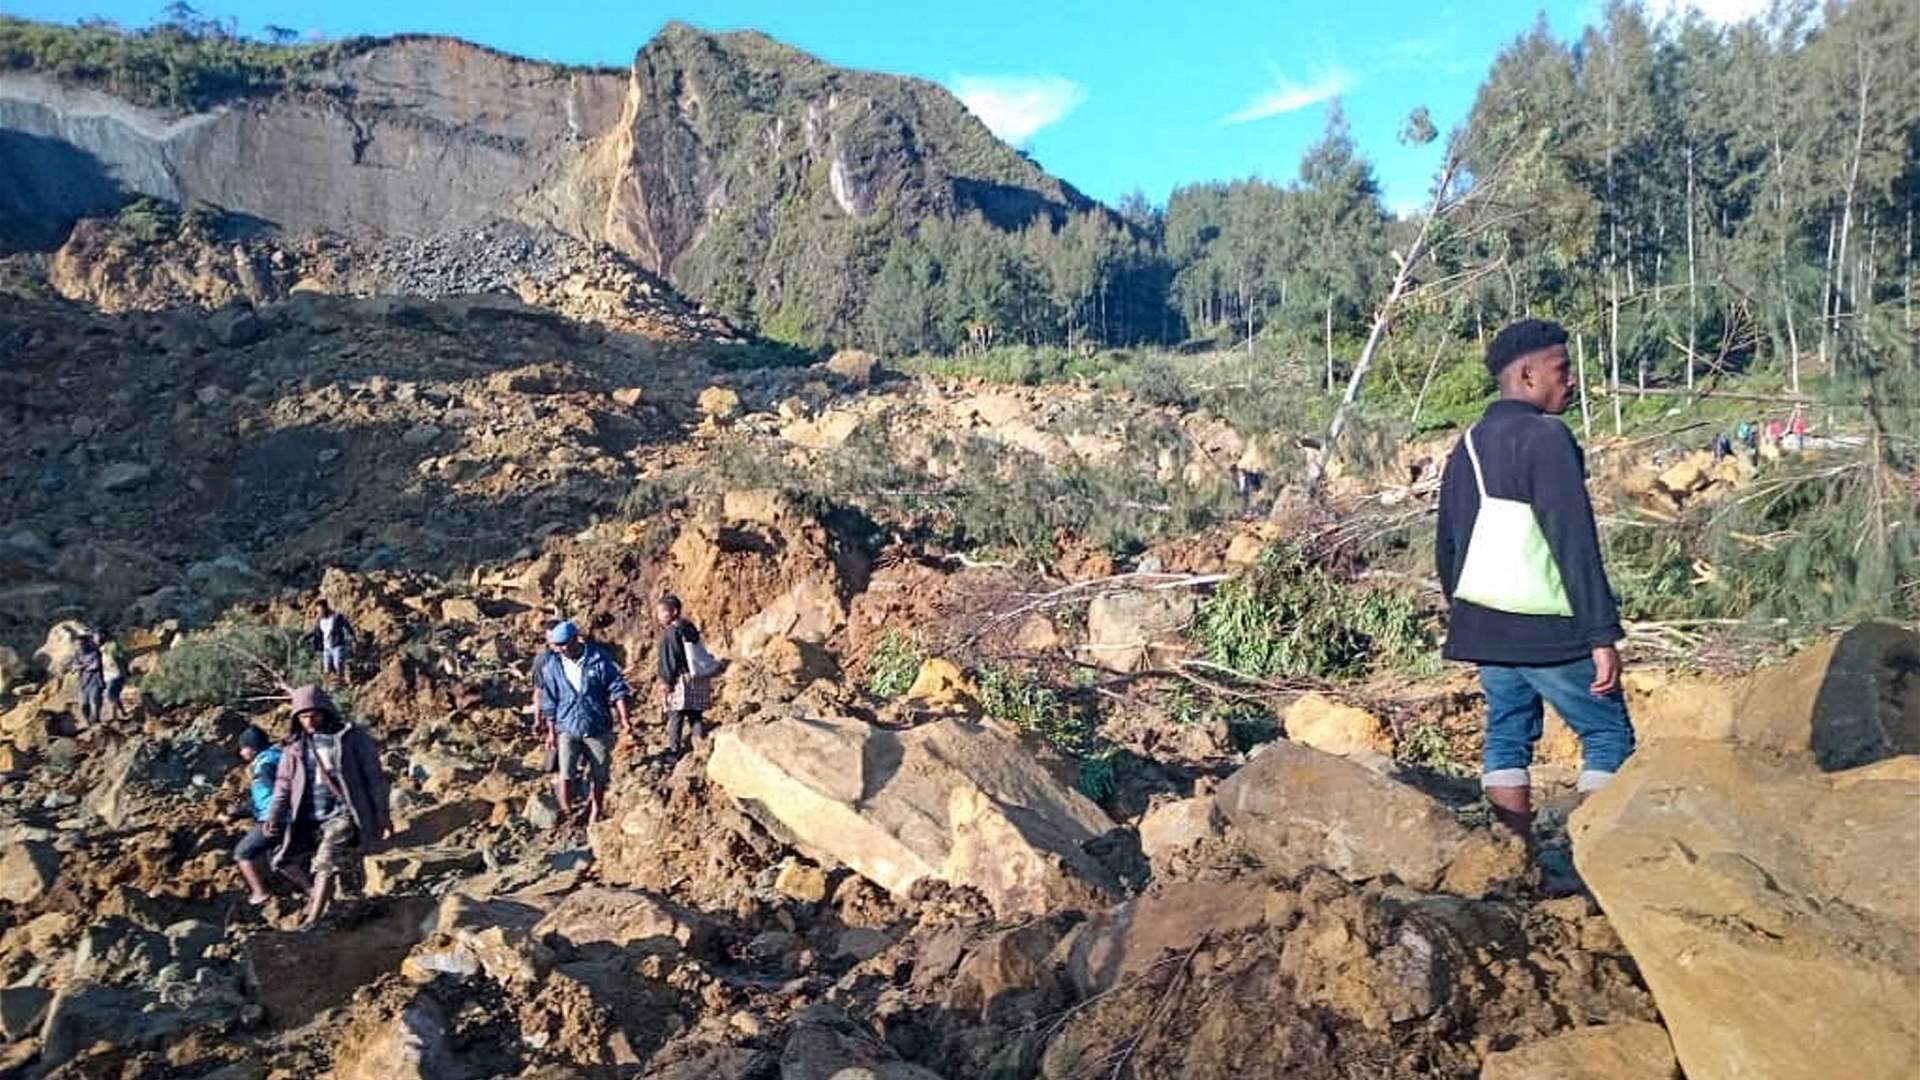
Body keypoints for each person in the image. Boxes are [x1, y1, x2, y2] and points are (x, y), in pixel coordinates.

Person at [1434, 319, 1635, 846]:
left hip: (1485, 622)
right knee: (1607, 732)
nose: (1571, 382)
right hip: (1550, 626)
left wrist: (1469, 613)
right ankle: (1597, 858)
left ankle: (1513, 856)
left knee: (1506, 735)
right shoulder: (1547, 438)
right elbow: (1573, 541)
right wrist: (1600, 635)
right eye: (1561, 369)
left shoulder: (1468, 444)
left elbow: (1448, 545)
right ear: (1526, 375)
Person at [263, 685, 391, 929]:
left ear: (326, 712)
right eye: (303, 716)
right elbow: (282, 786)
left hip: (344, 812)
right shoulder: (294, 748)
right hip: (310, 817)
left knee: (325, 860)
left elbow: (374, 777)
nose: (309, 721)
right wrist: (274, 815)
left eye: (314, 715)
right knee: (291, 860)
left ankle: (313, 918)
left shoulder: (350, 737)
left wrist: (382, 814)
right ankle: (349, 908)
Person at [533, 620, 635, 825]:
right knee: (566, 772)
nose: (561, 649)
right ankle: (567, 810)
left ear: (575, 639)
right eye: (557, 645)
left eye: (564, 644)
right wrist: (551, 732)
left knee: (599, 775)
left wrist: (625, 720)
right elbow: (549, 701)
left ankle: (596, 809)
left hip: (597, 726)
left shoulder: (598, 659)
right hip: (567, 727)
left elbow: (616, 688)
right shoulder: (553, 666)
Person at [232, 725, 305, 905]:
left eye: (243, 748)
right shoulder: (276, 759)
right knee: (280, 859)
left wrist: (274, 817)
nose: (241, 753)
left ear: (252, 748)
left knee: (242, 853)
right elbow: (261, 799)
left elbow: (277, 793)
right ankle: (312, 891)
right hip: (288, 817)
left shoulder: (265, 766)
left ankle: (260, 893)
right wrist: (235, 815)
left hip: (274, 820)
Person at [654, 595, 713, 756]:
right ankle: (700, 747)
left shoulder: (670, 632)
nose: (659, 616)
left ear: (673, 611)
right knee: (696, 715)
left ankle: (674, 751)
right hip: (697, 676)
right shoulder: (688, 627)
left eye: (662, 612)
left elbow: (670, 659)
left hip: (680, 679)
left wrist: (666, 681)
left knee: (675, 715)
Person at [67, 627, 105, 728]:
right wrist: (81, 667)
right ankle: (88, 721)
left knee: (94, 701)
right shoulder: (78, 653)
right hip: (83, 681)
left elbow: (95, 666)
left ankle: (96, 720)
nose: (80, 644)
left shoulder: (95, 652)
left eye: (82, 642)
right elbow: (74, 667)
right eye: (78, 642)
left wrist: (81, 666)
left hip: (95, 680)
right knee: (83, 704)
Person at [311, 600, 355, 686]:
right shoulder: (320, 620)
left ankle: (341, 682)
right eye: (318, 611)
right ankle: (329, 686)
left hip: (337, 645)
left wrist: (352, 637)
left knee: (338, 664)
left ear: (326, 608)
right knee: (326, 669)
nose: (319, 613)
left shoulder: (337, 617)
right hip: (326, 648)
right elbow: (315, 632)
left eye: (320, 610)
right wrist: (305, 637)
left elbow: (347, 626)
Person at [99, 630, 129, 722]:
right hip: (108, 675)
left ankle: (114, 716)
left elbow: (122, 657)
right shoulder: (102, 648)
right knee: (114, 694)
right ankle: (123, 712)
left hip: (116, 673)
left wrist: (125, 669)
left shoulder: (113, 646)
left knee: (110, 695)